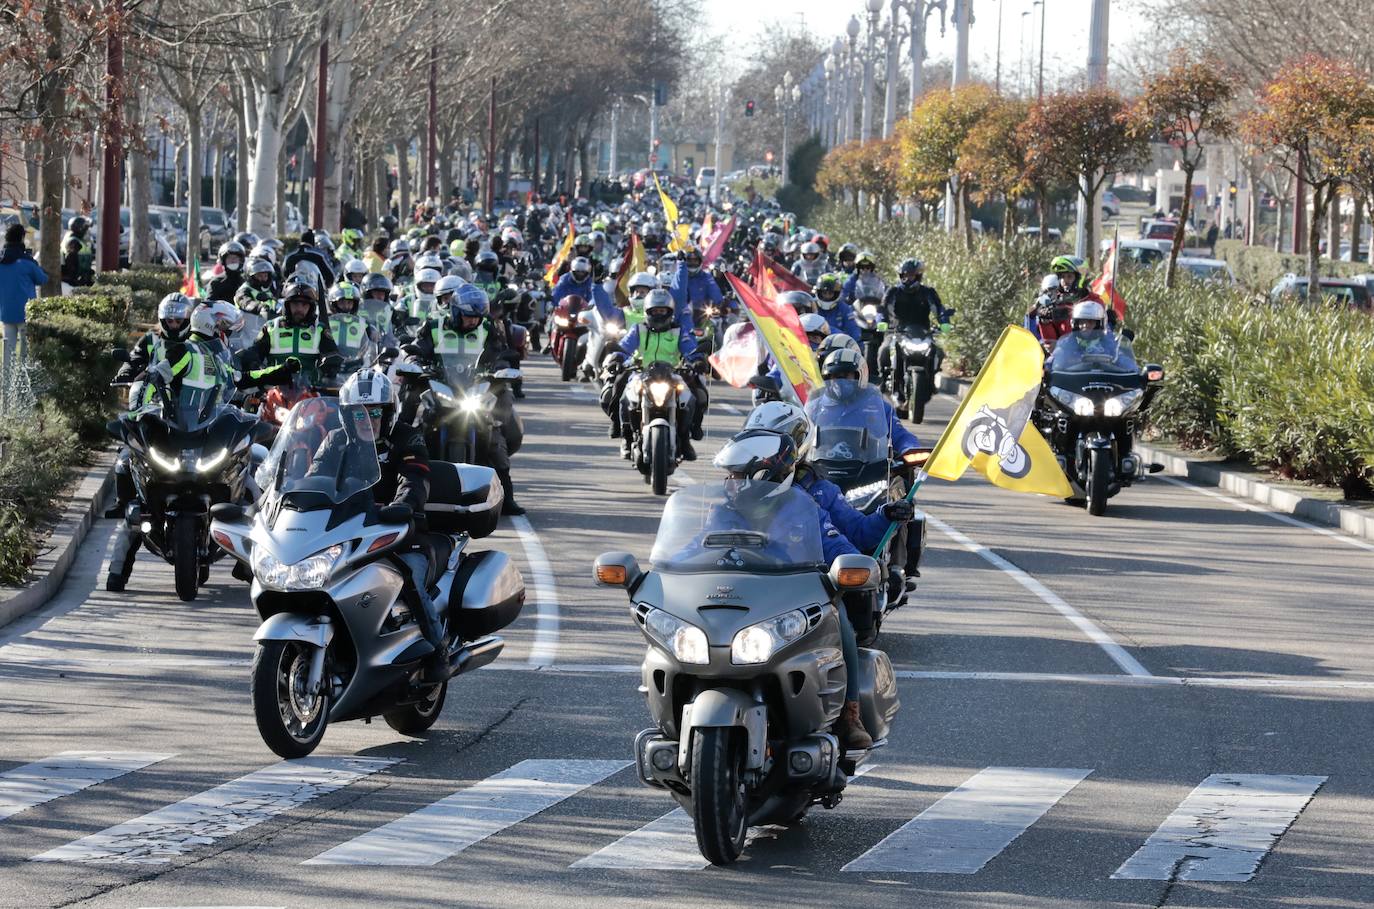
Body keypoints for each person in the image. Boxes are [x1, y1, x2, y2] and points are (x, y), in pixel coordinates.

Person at [711, 429, 875, 750]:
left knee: (840, 619)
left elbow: (841, 548)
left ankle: (849, 714)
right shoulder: (721, 512)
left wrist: (850, 565)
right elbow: (691, 552)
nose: (728, 483)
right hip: (738, 596)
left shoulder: (804, 510)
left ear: (761, 475)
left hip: (791, 598)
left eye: (735, 475)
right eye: (728, 475)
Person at [332, 369, 450, 680]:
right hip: (346, 532)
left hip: (399, 532)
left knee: (409, 574)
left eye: (374, 413)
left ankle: (438, 648)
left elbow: (414, 479)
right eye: (359, 413)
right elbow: (313, 478)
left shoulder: (407, 437)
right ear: (347, 415)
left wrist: (402, 506)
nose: (366, 420)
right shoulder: (335, 441)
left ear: (388, 413)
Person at [411, 283, 526, 516]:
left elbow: (501, 353)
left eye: (476, 317)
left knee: (493, 437)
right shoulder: (434, 325)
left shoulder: (489, 327)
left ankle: (507, 495)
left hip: (474, 388)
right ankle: (408, 490)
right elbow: (418, 349)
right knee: (416, 430)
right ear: (455, 311)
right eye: (468, 316)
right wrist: (416, 363)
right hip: (443, 385)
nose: (473, 321)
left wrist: (500, 369)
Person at [615, 288, 706, 460]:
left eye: (662, 311)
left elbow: (690, 349)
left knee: (695, 397)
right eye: (655, 311)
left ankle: (686, 439)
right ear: (647, 312)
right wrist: (617, 358)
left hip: (673, 374)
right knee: (624, 398)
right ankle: (626, 438)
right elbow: (625, 347)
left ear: (670, 312)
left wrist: (697, 360)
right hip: (642, 373)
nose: (658, 314)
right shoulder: (638, 329)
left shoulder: (678, 331)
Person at [880, 258, 952, 401]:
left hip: (922, 333)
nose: (908, 278)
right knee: (884, 349)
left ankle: (930, 381)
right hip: (898, 331)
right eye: (905, 275)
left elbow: (939, 309)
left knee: (938, 352)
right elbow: (882, 309)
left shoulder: (928, 292)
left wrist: (944, 322)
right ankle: (884, 380)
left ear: (918, 276)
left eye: (911, 275)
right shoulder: (893, 292)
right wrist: (881, 321)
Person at [249, 280, 339, 384]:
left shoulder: (320, 330)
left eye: (304, 304)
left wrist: (329, 370)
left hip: (310, 392)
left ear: (311, 307)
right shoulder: (271, 327)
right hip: (274, 389)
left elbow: (333, 357)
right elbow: (254, 354)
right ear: (287, 305)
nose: (299, 309)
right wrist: (251, 363)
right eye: (295, 304)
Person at [0, 224, 47, 384]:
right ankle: (23, 383)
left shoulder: (1, 261)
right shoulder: (26, 262)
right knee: (25, 352)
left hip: (6, 312)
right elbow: (42, 279)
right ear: (21, 238)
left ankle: (6, 382)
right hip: (26, 313)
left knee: (9, 349)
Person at [60, 216, 95, 287]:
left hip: (78, 279)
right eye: (85, 229)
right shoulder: (73, 242)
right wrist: (77, 279)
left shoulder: (78, 240)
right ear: (80, 229)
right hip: (71, 282)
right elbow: (71, 262)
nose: (86, 232)